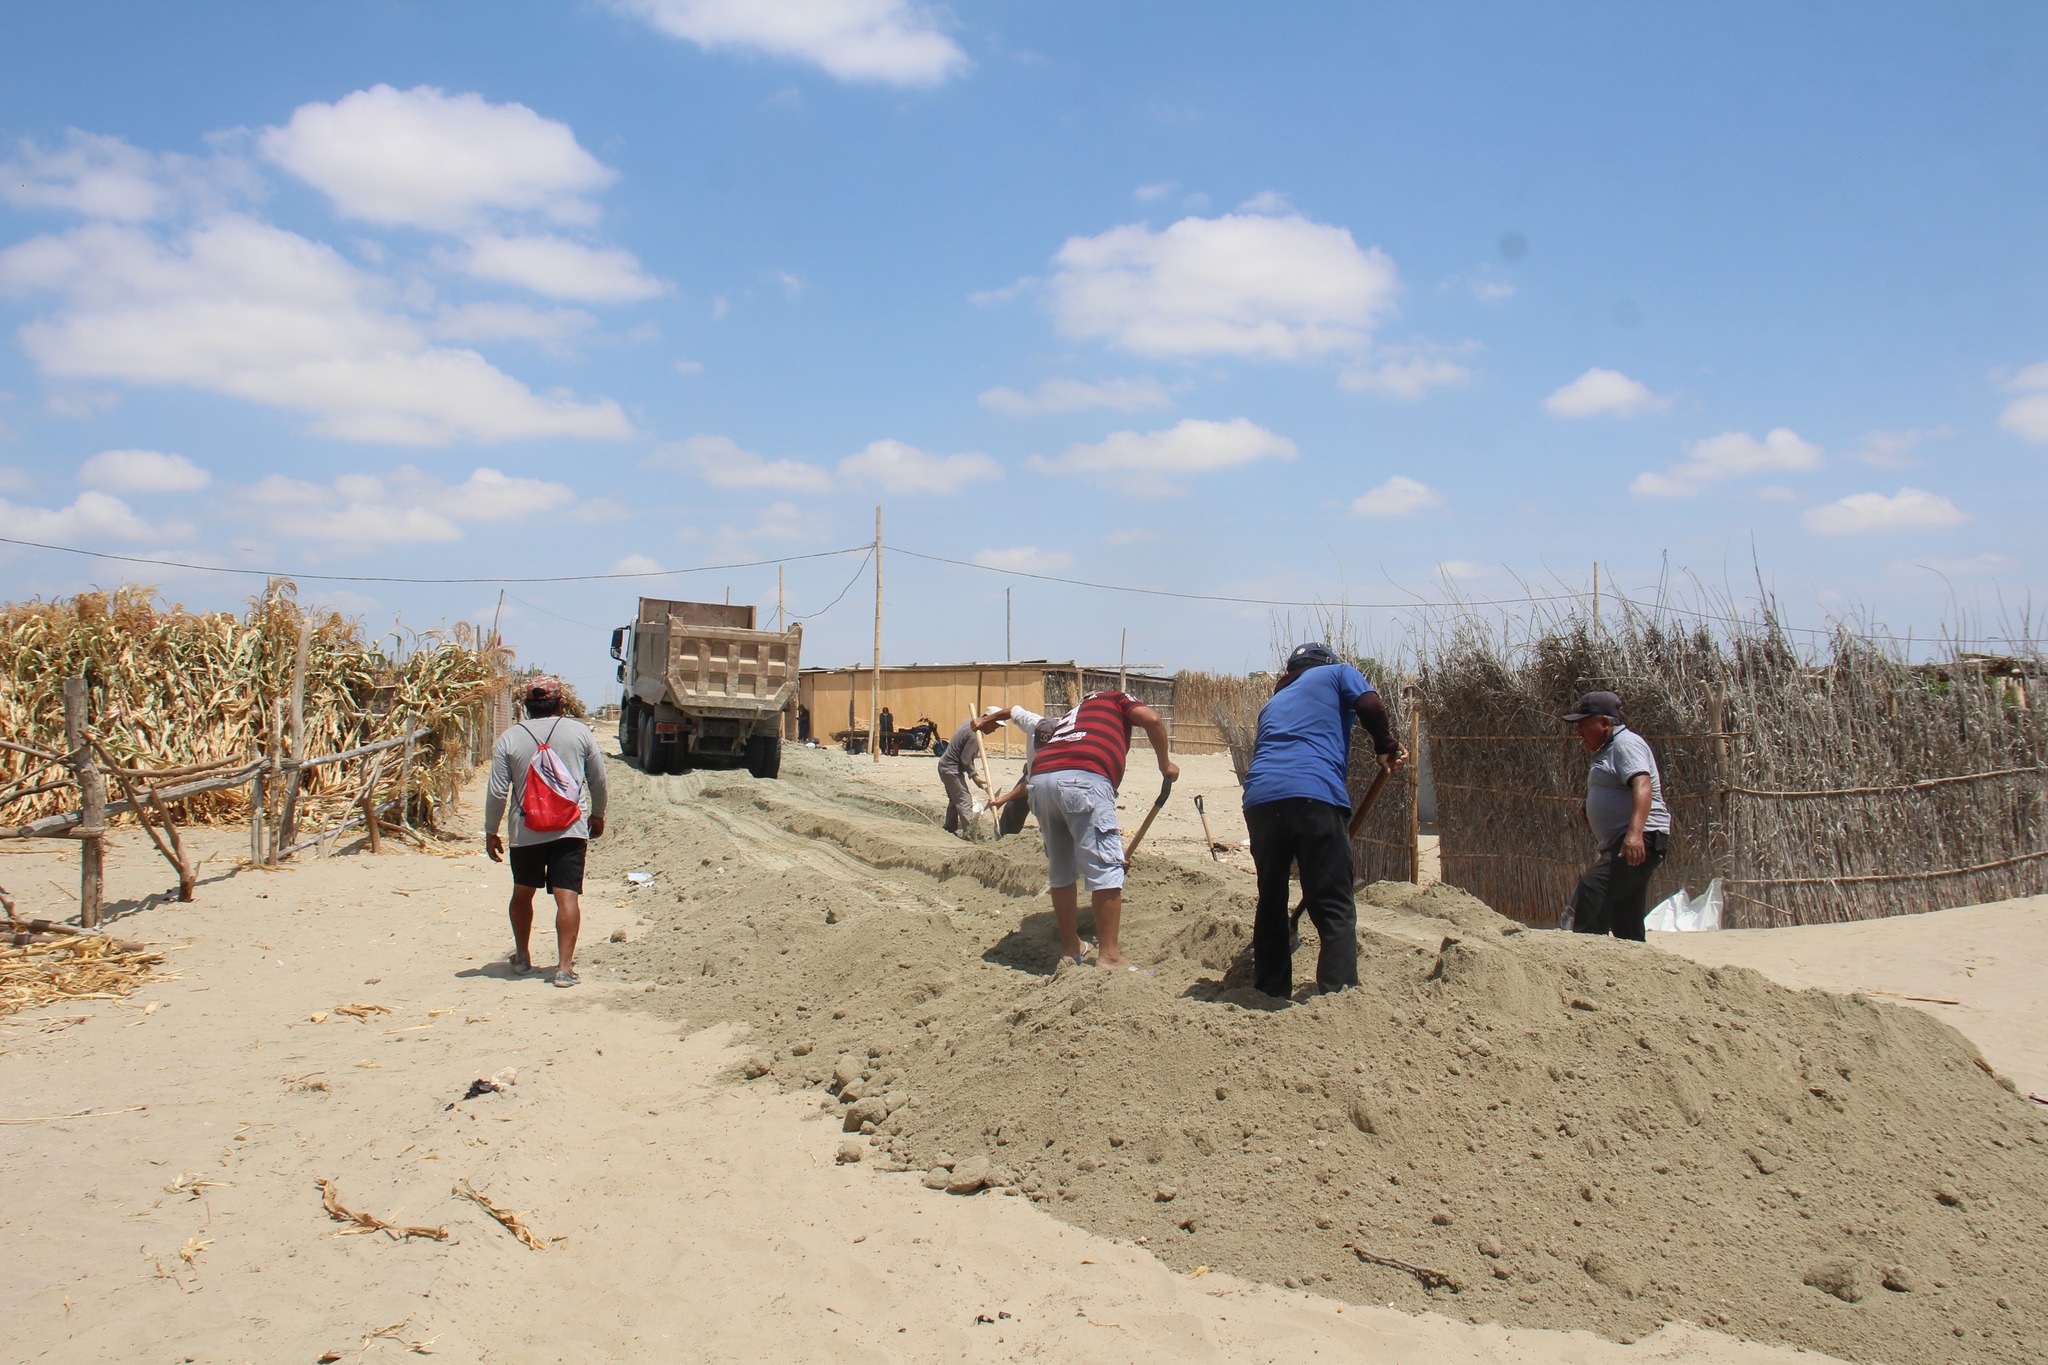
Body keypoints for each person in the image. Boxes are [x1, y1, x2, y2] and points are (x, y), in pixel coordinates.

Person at [1241, 644, 1406, 999]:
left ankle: (1269, 989)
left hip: (1260, 800)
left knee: (1270, 897)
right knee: (1332, 901)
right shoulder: (1338, 672)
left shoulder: (1273, 703)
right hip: (1314, 793)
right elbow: (1370, 704)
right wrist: (1385, 744)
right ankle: (1339, 995)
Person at [1027, 691, 1178, 969]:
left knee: (1061, 870)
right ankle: (1109, 956)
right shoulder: (1116, 698)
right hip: (1083, 777)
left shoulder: (1073, 715)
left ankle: (1071, 947)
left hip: (1040, 781)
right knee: (1106, 868)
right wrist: (1165, 764)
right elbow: (1153, 720)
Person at [485, 676, 608, 987]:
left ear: (526, 707)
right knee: (567, 896)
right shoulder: (579, 733)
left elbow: (498, 792)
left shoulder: (510, 738)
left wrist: (491, 830)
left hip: (525, 830)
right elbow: (599, 780)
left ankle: (523, 958)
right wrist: (597, 815)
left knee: (522, 892)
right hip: (570, 829)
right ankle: (564, 969)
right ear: (561, 703)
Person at [1562, 690, 1671, 941]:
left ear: (1605, 722)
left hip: (1643, 836)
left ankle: (1590, 952)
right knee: (1625, 910)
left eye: (1583, 725)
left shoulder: (1625, 744)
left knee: (1593, 886)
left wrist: (1634, 834)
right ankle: (1634, 962)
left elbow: (1642, 784)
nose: (1579, 732)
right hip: (1630, 838)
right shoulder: (1610, 748)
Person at [936, 709, 1005, 835]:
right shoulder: (975, 735)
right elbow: (966, 760)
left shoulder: (970, 722)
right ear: (987, 719)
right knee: (964, 800)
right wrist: (975, 777)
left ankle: (950, 827)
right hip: (950, 769)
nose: (994, 730)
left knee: (955, 798)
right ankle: (970, 833)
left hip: (946, 766)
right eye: (995, 726)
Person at [984, 702, 1046, 838]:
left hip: (1047, 780)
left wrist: (1002, 799)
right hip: (1032, 774)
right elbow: (1012, 711)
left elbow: (1030, 783)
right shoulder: (1034, 723)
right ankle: (1005, 836)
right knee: (1013, 807)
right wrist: (984, 720)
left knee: (1049, 815)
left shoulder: (1056, 754)